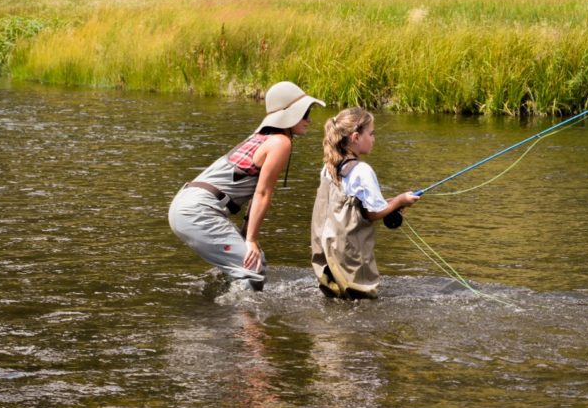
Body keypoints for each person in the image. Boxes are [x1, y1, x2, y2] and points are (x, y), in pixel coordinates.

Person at [169, 81, 324, 290]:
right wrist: (251, 239)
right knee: (254, 270)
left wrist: (246, 236)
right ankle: (239, 312)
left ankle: (219, 301)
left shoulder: (262, 137)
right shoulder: (281, 142)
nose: (309, 120)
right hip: (197, 211)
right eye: (305, 113)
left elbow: (256, 192)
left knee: (250, 261)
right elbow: (263, 193)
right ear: (289, 114)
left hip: (184, 204)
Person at [311, 107, 419, 299]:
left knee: (335, 296)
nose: (374, 139)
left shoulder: (328, 167)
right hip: (350, 250)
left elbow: (350, 204)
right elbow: (372, 213)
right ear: (355, 137)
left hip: (327, 247)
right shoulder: (362, 170)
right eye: (371, 133)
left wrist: (392, 202)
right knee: (361, 299)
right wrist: (400, 200)